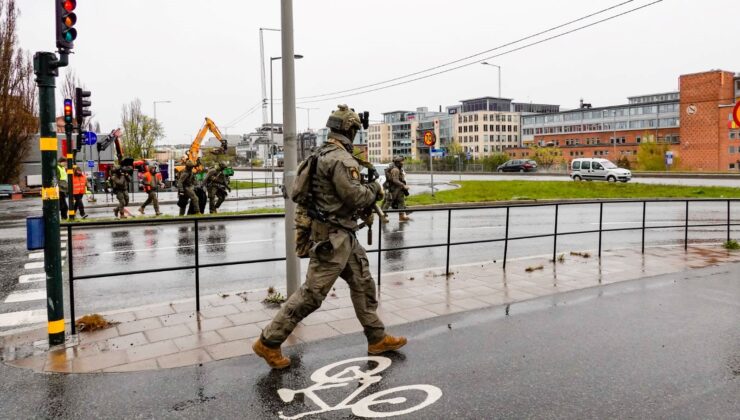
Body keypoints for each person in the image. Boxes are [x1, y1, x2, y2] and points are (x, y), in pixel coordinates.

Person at [252, 104, 407, 369]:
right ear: (350, 129)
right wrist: (374, 188)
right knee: (312, 294)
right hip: (332, 240)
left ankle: (377, 338)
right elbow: (355, 195)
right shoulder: (340, 159)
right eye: (356, 129)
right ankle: (268, 342)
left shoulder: (321, 153)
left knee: (363, 283)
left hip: (341, 234)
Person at [382, 156, 411, 221]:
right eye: (402, 161)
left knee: (401, 201)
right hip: (393, 189)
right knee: (388, 202)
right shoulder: (395, 170)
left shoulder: (399, 168)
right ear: (398, 163)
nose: (403, 163)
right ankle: (383, 217)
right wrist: (403, 185)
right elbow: (395, 180)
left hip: (399, 189)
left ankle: (401, 216)